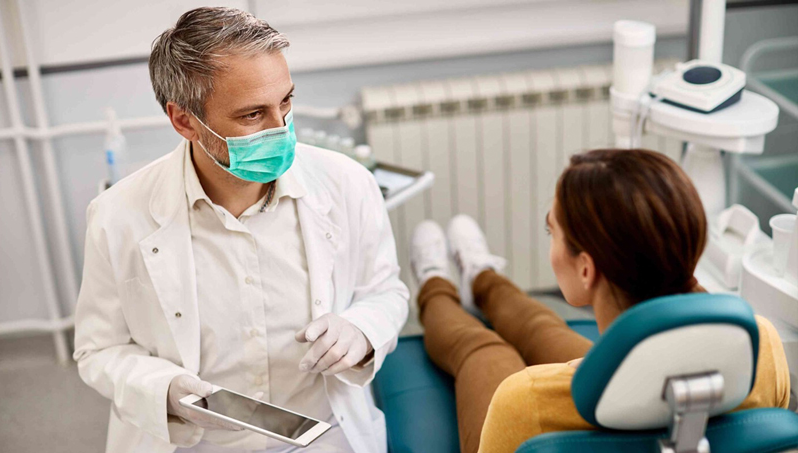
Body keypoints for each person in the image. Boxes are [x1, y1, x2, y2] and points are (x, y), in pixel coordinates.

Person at [73, 7, 408, 453]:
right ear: (184, 120)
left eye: (286, 102)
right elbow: (98, 350)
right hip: (197, 443)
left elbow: (386, 291)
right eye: (252, 115)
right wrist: (164, 391)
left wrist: (361, 330)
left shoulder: (347, 183)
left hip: (324, 436)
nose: (282, 129)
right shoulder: (118, 216)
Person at [409, 149, 791, 453]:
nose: (551, 245)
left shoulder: (523, 401)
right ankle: (481, 276)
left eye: (551, 231)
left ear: (586, 270)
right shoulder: (765, 345)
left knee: (481, 350)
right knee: (541, 329)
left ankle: (435, 283)